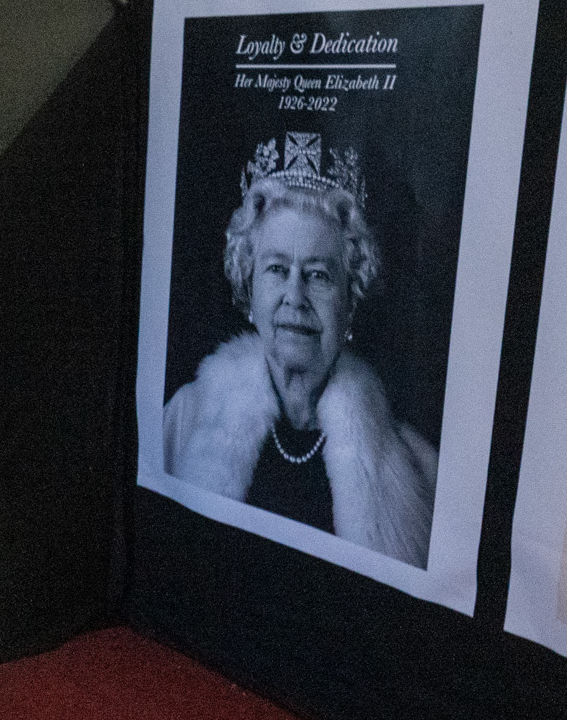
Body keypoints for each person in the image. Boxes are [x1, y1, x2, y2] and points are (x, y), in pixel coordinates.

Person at [162, 135, 436, 565]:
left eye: (319, 275)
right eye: (276, 269)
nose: (295, 296)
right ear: (248, 288)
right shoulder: (184, 420)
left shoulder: (418, 470)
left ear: (350, 300)